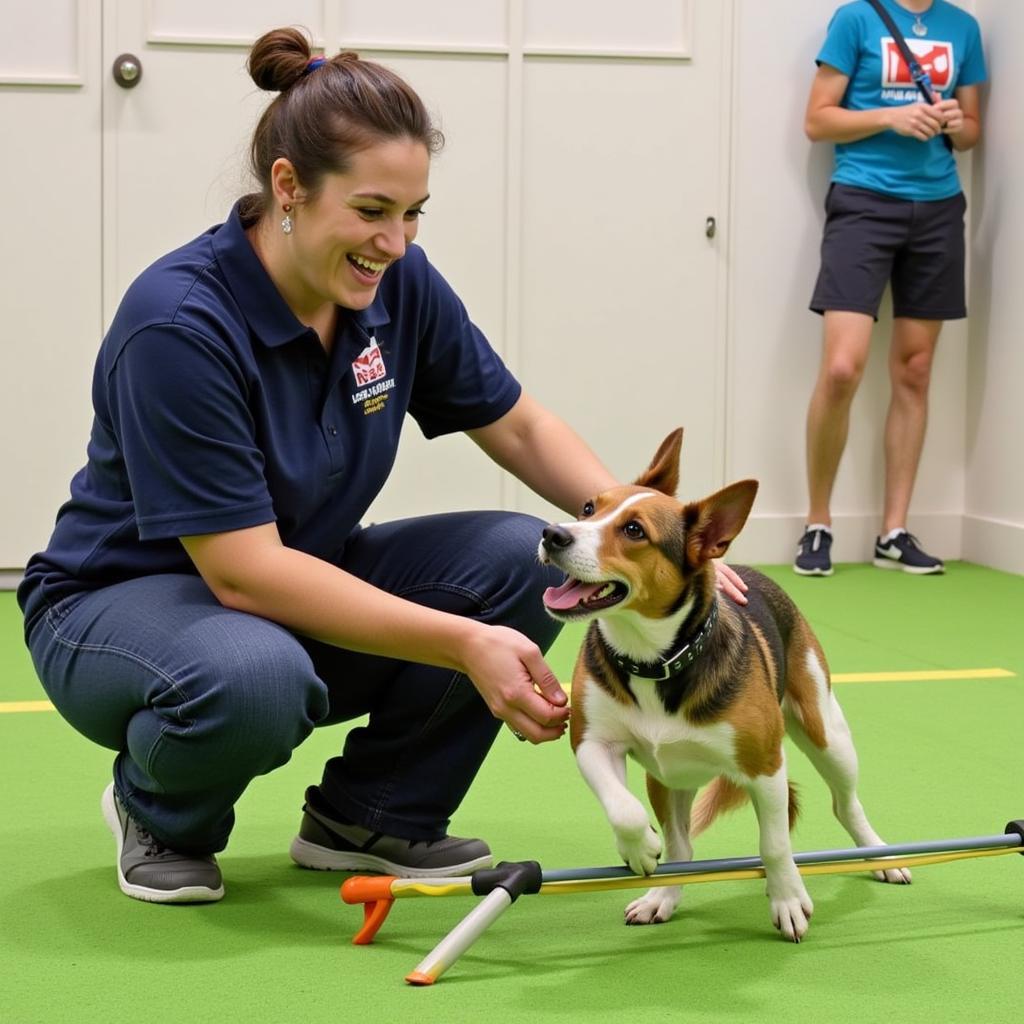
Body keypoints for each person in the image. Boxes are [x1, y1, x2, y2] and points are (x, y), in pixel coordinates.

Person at [19, 27, 746, 904]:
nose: (395, 242)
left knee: (527, 558)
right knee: (255, 677)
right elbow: (245, 574)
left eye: (413, 214)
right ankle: (158, 809)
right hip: (117, 609)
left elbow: (516, 426)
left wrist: (637, 533)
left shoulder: (395, 282)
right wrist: (463, 643)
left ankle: (373, 817)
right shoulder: (179, 324)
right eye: (371, 212)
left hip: (290, 583)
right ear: (287, 186)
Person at [794, 0, 986, 577]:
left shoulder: (964, 27)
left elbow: (974, 131)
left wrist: (955, 123)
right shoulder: (856, 17)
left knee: (915, 368)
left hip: (938, 207)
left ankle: (893, 531)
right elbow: (817, 120)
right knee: (842, 369)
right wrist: (889, 118)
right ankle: (818, 522)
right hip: (862, 201)